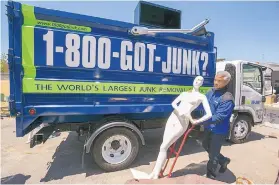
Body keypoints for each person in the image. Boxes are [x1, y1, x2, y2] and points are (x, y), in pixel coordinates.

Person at [191, 71, 235, 179]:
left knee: (213, 156)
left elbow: (218, 117)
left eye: (219, 81)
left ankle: (210, 177)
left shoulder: (227, 99)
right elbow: (202, 102)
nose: (216, 82)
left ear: (226, 82)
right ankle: (224, 160)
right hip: (208, 127)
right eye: (215, 80)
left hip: (219, 130)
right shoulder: (211, 91)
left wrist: (200, 121)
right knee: (205, 145)